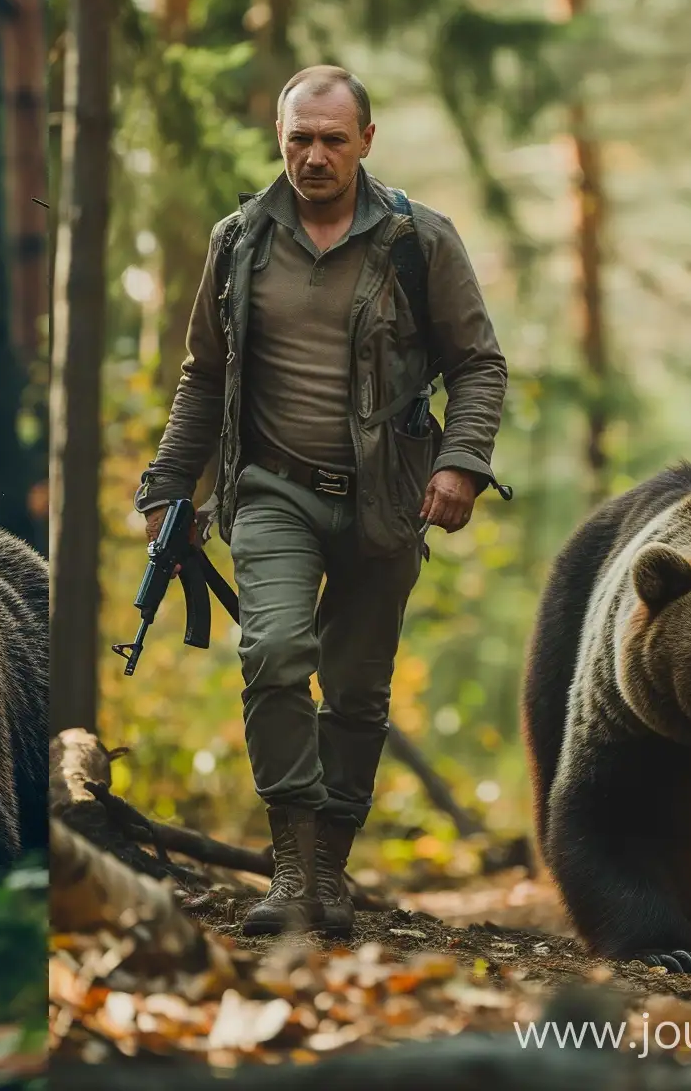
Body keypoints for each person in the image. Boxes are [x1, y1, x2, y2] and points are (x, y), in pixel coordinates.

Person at [136, 66, 507, 938]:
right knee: (272, 650)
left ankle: (330, 873)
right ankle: (292, 864)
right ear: (280, 137)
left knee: (356, 691)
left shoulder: (420, 241)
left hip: (389, 499)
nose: (313, 156)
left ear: (366, 143)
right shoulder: (238, 242)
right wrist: (166, 485)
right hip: (271, 489)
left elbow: (479, 364)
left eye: (332, 140)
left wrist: (462, 463)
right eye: (299, 138)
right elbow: (204, 375)